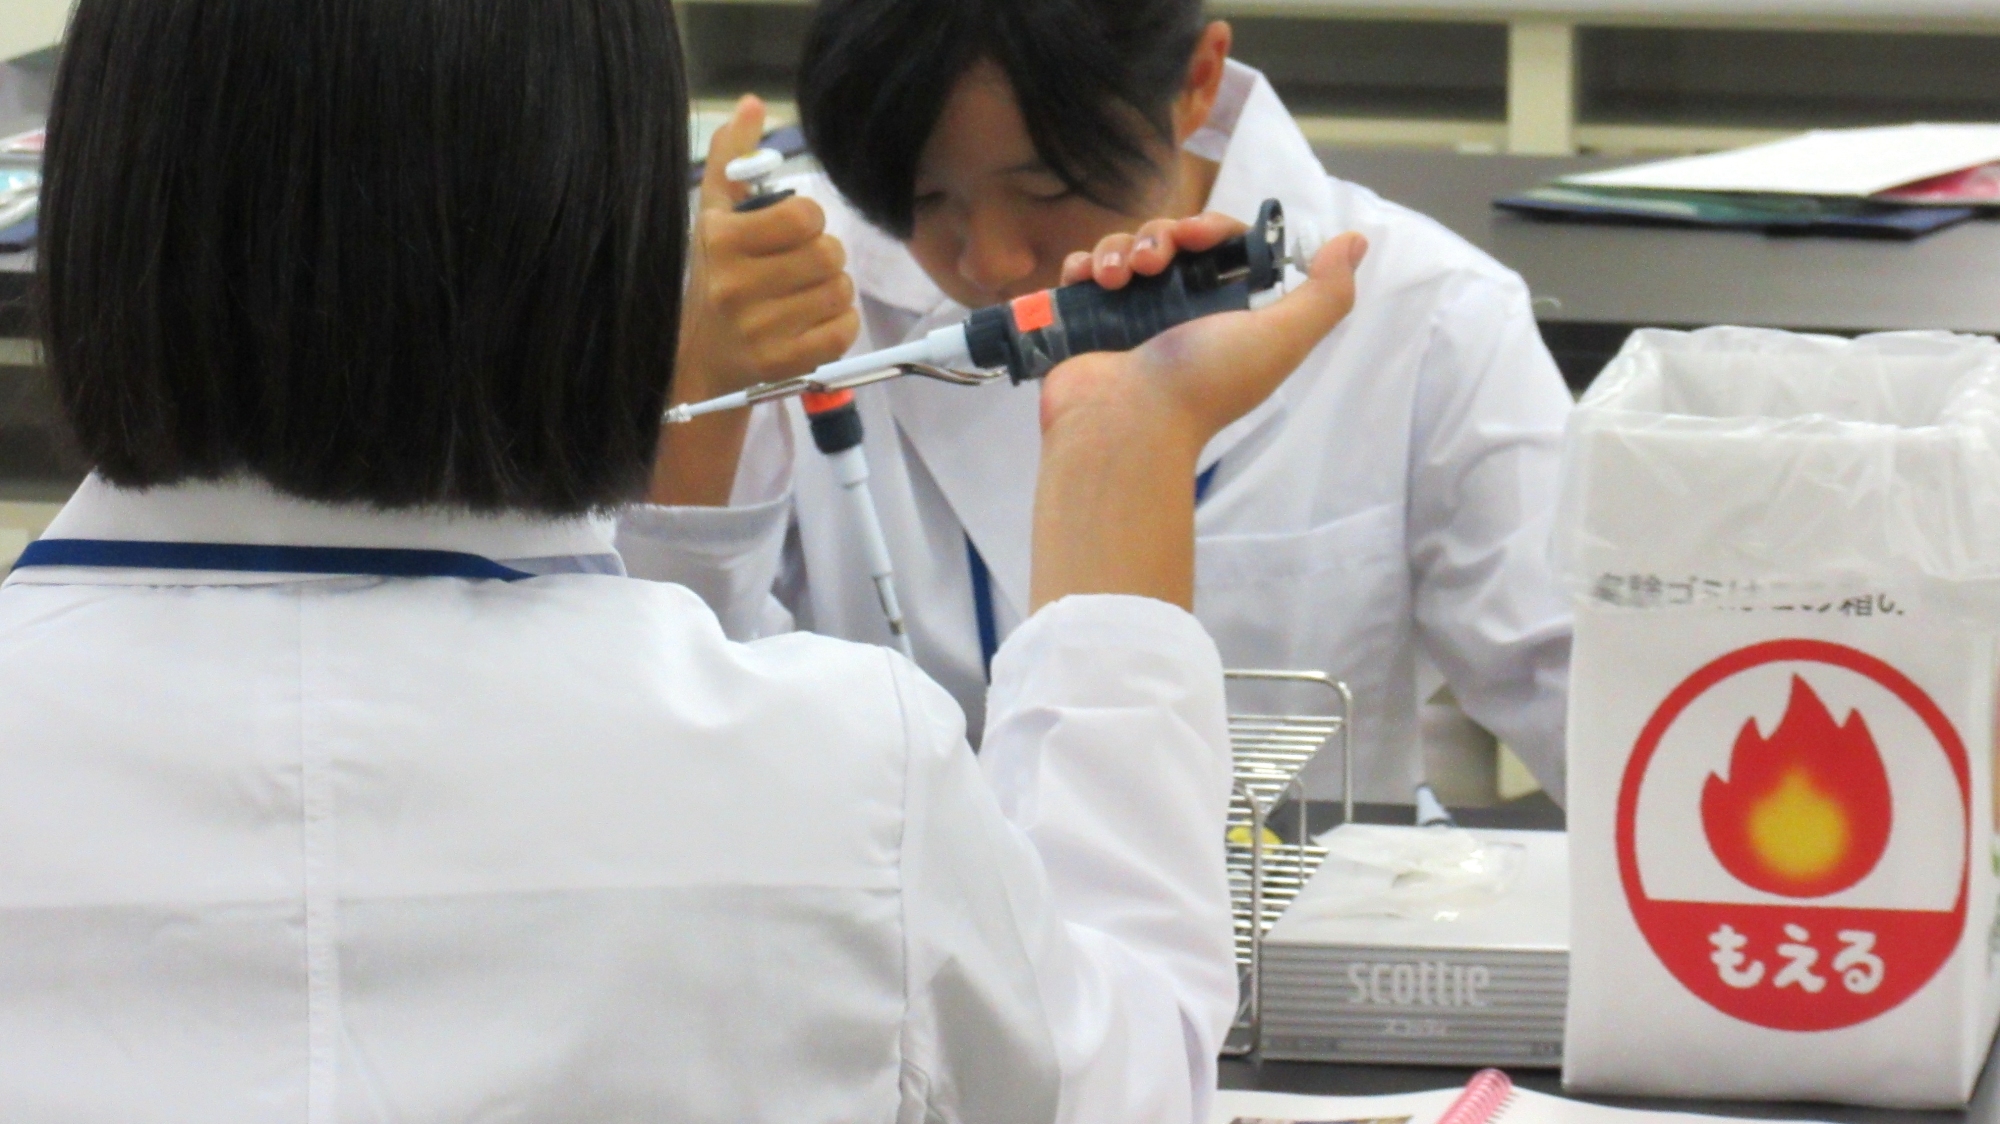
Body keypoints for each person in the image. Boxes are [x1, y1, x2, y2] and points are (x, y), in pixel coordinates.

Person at [0, 0, 1364, 1118]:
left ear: (98, 206)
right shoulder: (843, 783)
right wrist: (1123, 467)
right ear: (599, 237)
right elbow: (1118, 1081)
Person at [632, 0, 1576, 802]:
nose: (990, 260)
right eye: (924, 199)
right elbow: (650, 704)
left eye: (1047, 186)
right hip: (895, 931)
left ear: (1197, 81)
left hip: (1294, 931)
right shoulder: (782, 293)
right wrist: (702, 384)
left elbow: (1579, 689)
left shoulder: (1429, 315)